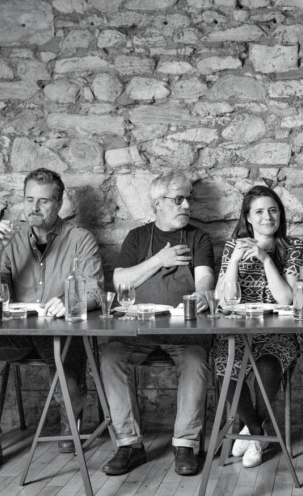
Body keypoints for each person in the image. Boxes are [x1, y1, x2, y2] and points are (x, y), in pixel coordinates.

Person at [0, 168, 103, 479]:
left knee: (72, 352)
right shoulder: (10, 242)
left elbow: (95, 291)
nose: (34, 208)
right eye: (29, 200)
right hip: (19, 332)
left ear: (59, 203)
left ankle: (70, 420)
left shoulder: (80, 239)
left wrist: (70, 302)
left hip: (59, 332)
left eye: (43, 201)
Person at [99, 171, 214, 477]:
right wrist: (159, 260)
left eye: (188, 198)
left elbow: (204, 280)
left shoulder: (197, 237)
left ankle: (185, 444)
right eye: (179, 199)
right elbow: (120, 281)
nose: (187, 205)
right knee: (110, 357)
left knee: (196, 358)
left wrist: (203, 295)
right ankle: (129, 444)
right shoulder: (137, 237)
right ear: (157, 204)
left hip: (183, 331)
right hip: (139, 331)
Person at [212, 185, 303, 468]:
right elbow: (224, 300)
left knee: (267, 365)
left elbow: (288, 299)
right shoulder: (233, 246)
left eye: (273, 210)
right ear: (248, 218)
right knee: (225, 366)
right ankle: (256, 432)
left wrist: (266, 259)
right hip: (238, 330)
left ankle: (251, 432)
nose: (267, 217)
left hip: (280, 331)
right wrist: (235, 261)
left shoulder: (293, 247)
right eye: (259, 212)